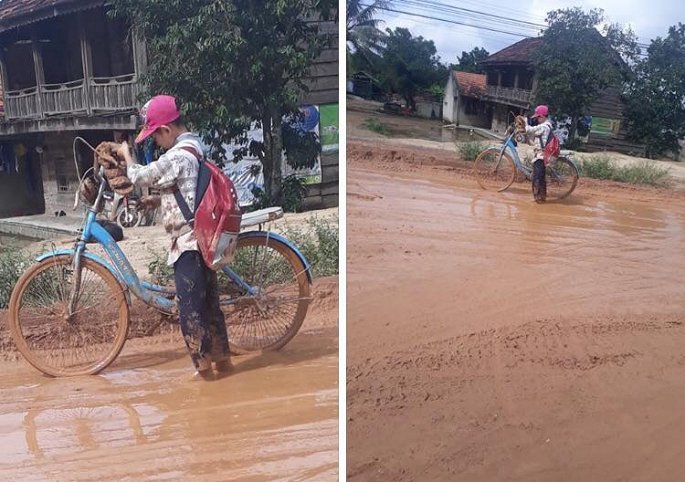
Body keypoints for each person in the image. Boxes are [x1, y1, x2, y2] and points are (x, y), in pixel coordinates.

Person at [116, 95, 231, 381]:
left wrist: (126, 154)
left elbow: (141, 176)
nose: (156, 143)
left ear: (166, 130)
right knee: (209, 307)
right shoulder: (194, 146)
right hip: (201, 240)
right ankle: (223, 364)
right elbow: (187, 189)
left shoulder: (178, 155)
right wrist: (159, 202)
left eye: (155, 136)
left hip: (189, 244)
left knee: (191, 312)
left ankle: (205, 376)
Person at [516, 104, 557, 203]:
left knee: (537, 178)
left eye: (538, 117)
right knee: (540, 177)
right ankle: (541, 197)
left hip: (541, 155)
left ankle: (538, 199)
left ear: (542, 117)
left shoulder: (544, 126)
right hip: (540, 153)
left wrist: (524, 122)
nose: (537, 119)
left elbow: (530, 130)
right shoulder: (546, 125)